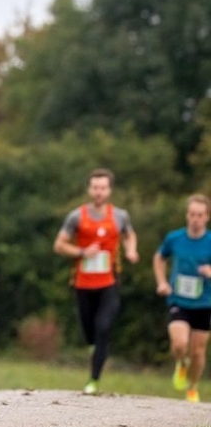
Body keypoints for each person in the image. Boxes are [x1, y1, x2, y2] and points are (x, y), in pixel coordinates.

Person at [52, 167, 139, 395]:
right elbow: (59, 245)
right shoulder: (77, 216)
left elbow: (130, 235)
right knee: (88, 330)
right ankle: (94, 348)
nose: (99, 192)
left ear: (109, 190)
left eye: (103, 188)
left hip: (110, 281)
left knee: (103, 328)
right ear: (89, 189)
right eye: (95, 187)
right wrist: (81, 251)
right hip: (83, 283)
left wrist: (131, 250)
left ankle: (93, 379)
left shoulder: (120, 216)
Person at [152, 193, 211, 403]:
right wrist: (162, 282)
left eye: (200, 215)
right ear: (187, 215)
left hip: (204, 303)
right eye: (192, 214)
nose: (195, 219)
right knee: (179, 343)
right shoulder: (175, 238)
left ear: (207, 217)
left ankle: (193, 387)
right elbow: (159, 258)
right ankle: (180, 363)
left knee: (197, 351)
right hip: (179, 300)